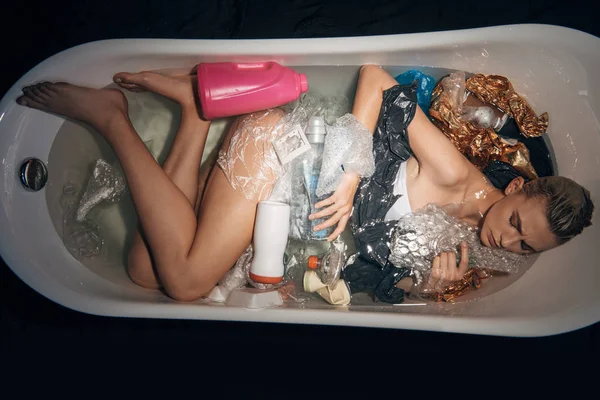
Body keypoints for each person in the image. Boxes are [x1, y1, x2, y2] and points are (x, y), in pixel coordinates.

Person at [15, 64, 594, 302]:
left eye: (525, 247)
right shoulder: (454, 175)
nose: (508, 243)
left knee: (147, 269)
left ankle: (194, 119)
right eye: (517, 224)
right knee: (187, 281)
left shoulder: (478, 250)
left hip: (282, 206)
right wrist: (351, 172)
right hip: (282, 153)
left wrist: (428, 285)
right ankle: (113, 117)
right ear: (518, 188)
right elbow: (375, 78)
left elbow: (371, 271)